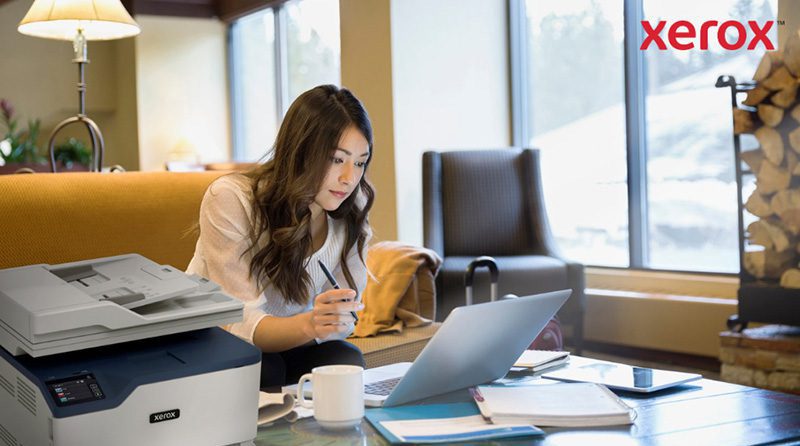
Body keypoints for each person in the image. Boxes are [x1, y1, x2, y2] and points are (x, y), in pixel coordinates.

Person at [186, 85, 375, 388]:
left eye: (360, 162)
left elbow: (343, 320)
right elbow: (241, 321)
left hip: (288, 339)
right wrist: (312, 323)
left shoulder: (350, 209)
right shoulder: (231, 199)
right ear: (300, 152)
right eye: (337, 159)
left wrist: (331, 319)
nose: (349, 178)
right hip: (216, 338)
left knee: (345, 360)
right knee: (264, 368)